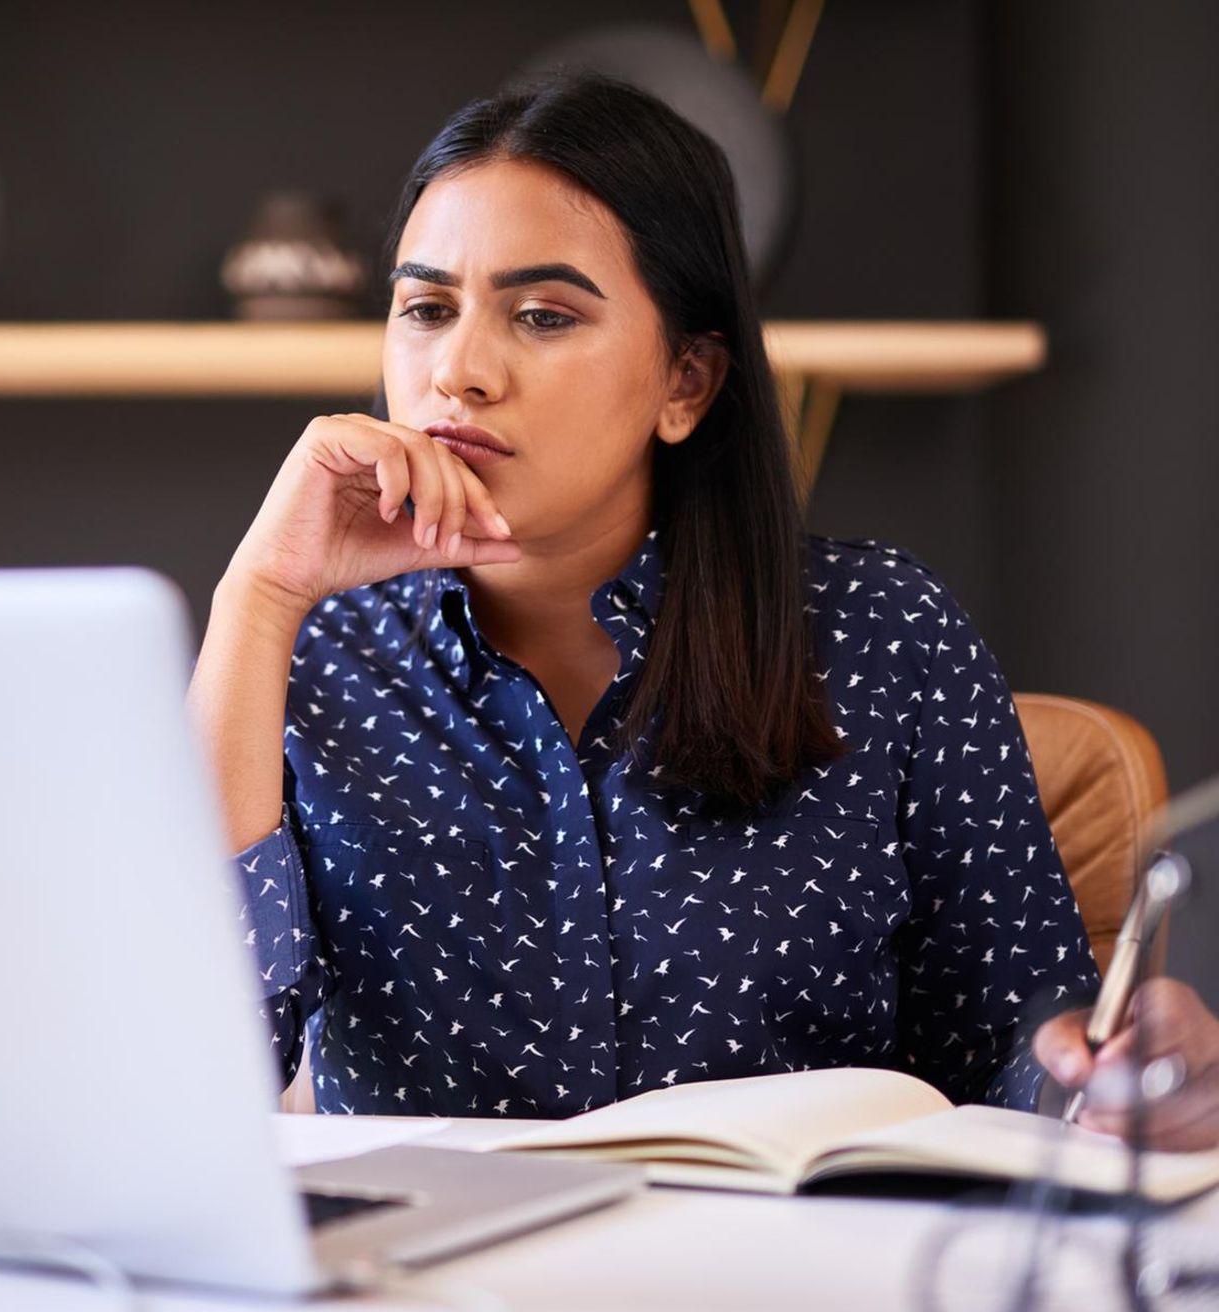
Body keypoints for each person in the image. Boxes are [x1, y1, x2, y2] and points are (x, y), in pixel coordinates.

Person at [188, 72, 1213, 1145]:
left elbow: (1030, 1057)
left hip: (798, 1292)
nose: (460, 371)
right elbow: (193, 1069)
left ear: (686, 381)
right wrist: (259, 597)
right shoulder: (311, 655)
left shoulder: (884, 637)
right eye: (426, 308)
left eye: (542, 316)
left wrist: (1126, 1080)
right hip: (431, 1303)